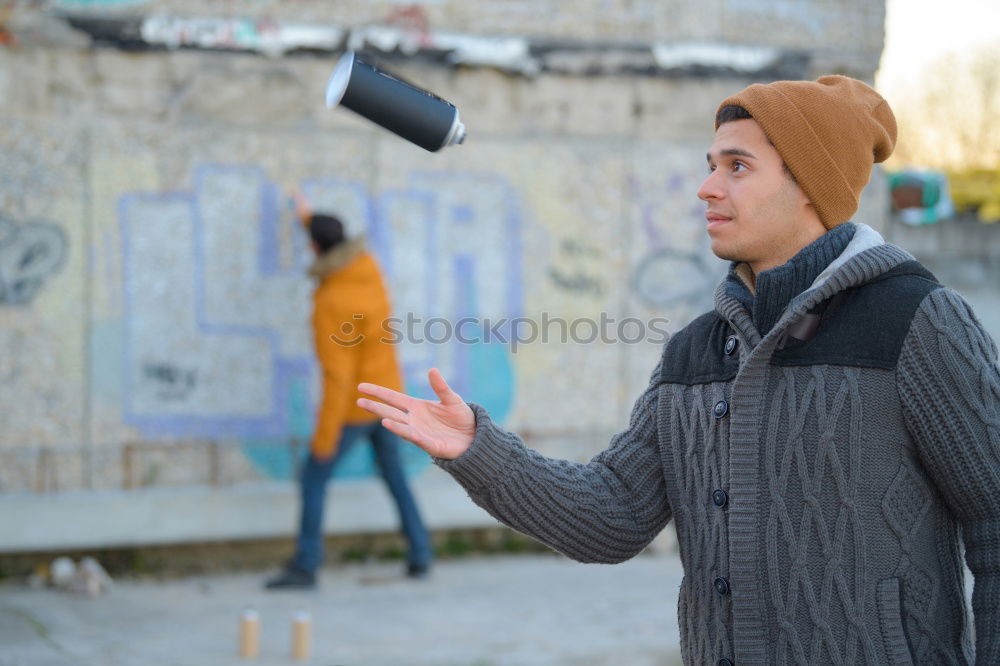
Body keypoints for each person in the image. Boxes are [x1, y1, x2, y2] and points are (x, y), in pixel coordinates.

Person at [356, 76, 1000, 664]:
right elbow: (610, 517)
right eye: (711, 165)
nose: (708, 186)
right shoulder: (695, 351)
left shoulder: (918, 319)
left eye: (738, 167)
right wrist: (479, 449)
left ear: (809, 185)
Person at [266, 199, 433, 589]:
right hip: (390, 396)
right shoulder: (368, 269)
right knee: (394, 476)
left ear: (315, 249)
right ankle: (421, 553)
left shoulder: (329, 301)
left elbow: (337, 378)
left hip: (357, 406)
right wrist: (306, 216)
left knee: (313, 476)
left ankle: (306, 566)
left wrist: (324, 438)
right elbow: (330, 244)